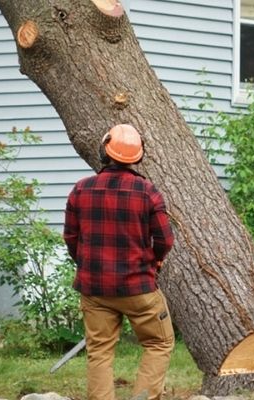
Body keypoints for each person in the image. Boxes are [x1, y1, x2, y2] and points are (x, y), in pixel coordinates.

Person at [63, 124, 175, 400]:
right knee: (159, 342)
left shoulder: (81, 189)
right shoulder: (148, 192)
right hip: (139, 288)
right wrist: (155, 261)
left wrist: (88, 265)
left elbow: (71, 238)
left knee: (99, 351)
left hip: (95, 290)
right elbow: (165, 241)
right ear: (138, 156)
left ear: (105, 151)